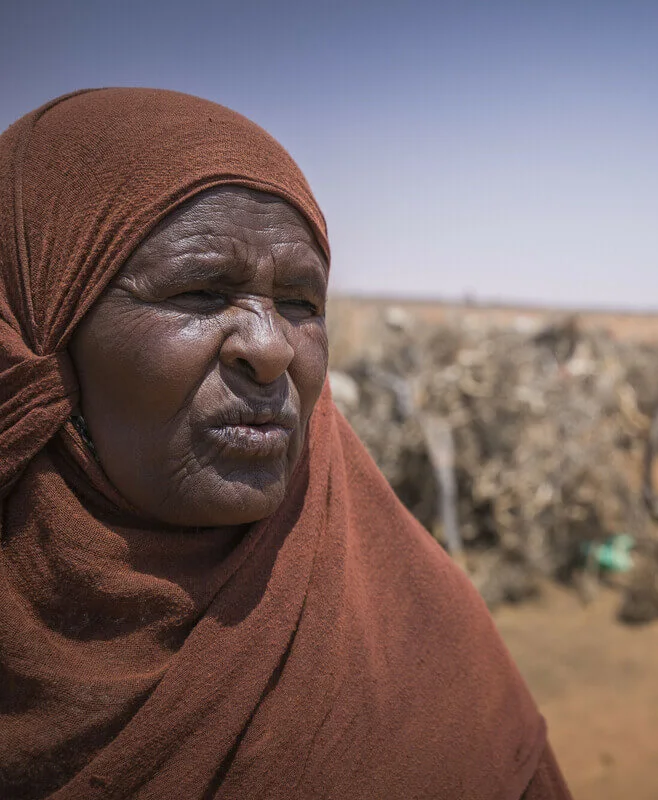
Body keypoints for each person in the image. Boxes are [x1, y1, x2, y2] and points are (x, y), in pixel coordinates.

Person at [0, 88, 573, 800]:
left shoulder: (418, 631)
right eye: (202, 291)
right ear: (33, 324)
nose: (272, 349)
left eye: (302, 302)